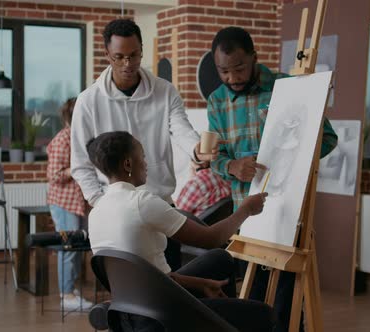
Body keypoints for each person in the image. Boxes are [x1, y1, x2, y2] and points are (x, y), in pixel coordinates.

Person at [207, 27, 338, 331]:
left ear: (254, 58)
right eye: (223, 71)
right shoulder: (217, 101)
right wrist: (232, 166)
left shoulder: (288, 87)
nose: (231, 78)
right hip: (247, 218)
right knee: (251, 300)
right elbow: (215, 158)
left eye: (238, 68)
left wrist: (296, 155)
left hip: (289, 214)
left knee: (287, 301)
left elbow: (328, 139)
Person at [87, 131, 274, 332]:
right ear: (127, 164)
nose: (146, 163)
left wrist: (201, 284)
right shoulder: (142, 203)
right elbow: (212, 238)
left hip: (128, 312)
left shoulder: (96, 213)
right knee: (265, 314)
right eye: (142, 156)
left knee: (220, 259)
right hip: (163, 313)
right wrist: (247, 209)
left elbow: (148, 276)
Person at [70, 19, 218, 272]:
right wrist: (101, 202)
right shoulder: (88, 101)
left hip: (160, 205)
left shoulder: (165, 91)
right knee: (130, 292)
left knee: (171, 288)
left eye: (134, 55)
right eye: (119, 57)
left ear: (141, 50)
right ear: (107, 55)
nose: (127, 64)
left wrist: (197, 149)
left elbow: (181, 129)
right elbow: (81, 165)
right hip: (116, 213)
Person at [46, 98, 92, 310]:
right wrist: (78, 167)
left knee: (76, 247)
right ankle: (66, 296)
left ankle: (71, 291)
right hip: (64, 203)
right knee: (68, 248)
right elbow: (54, 175)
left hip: (77, 202)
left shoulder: (78, 138)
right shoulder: (62, 139)